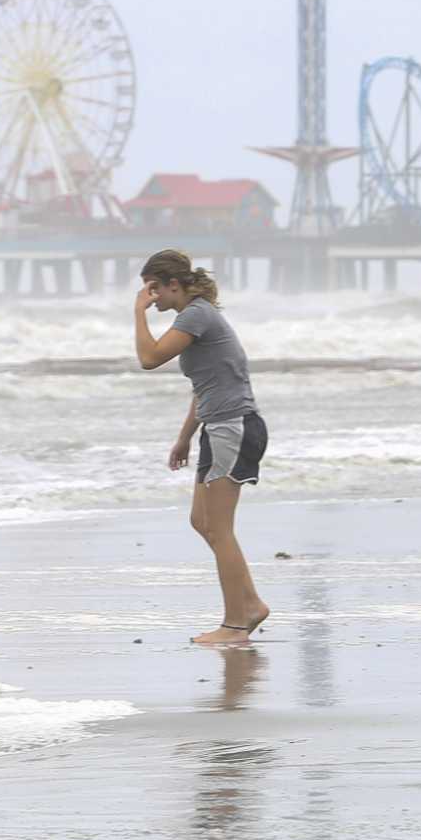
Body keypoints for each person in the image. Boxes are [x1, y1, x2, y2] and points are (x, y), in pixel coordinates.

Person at [133, 249, 270, 646]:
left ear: (173, 285)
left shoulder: (196, 313)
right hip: (220, 425)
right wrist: (185, 436)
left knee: (220, 529)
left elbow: (149, 358)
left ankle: (235, 624)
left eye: (153, 289)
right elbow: (206, 386)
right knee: (202, 522)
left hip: (235, 426)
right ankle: (252, 604)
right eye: (146, 292)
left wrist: (138, 313)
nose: (150, 297)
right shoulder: (194, 317)